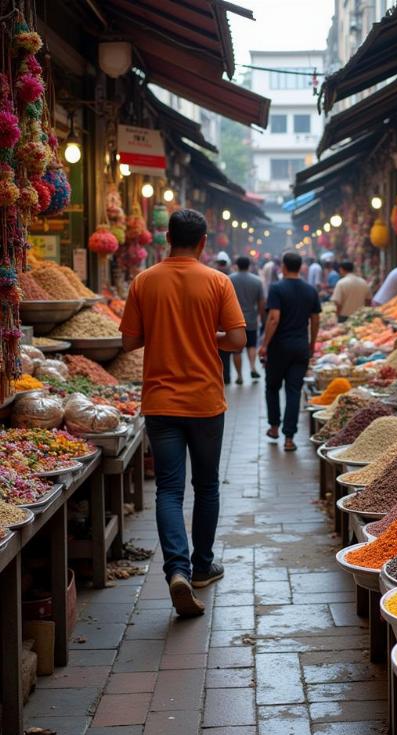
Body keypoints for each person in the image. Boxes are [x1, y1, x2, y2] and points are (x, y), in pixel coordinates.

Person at [119, 209, 246, 617]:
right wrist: (205, 334)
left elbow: (129, 342)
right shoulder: (217, 281)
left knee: (169, 490)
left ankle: (178, 570)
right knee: (206, 486)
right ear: (204, 242)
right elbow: (239, 340)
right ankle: (203, 565)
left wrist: (163, 330)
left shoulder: (144, 280)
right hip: (205, 402)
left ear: (167, 237)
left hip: (160, 401)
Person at [259, 251, 321, 452]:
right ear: (300, 266)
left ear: (284, 267)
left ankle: (274, 427)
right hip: (300, 347)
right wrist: (311, 345)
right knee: (294, 391)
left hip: (279, 348)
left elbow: (274, 318)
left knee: (272, 387)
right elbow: (315, 319)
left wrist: (265, 344)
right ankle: (289, 438)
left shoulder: (277, 288)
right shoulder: (310, 290)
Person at [229, 255, 265, 384]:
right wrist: (262, 318)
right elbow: (261, 302)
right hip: (251, 319)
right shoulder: (257, 281)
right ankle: (252, 367)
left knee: (237, 350)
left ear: (236, 265)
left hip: (233, 320)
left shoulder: (229, 280)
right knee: (251, 345)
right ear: (249, 265)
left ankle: (239, 376)